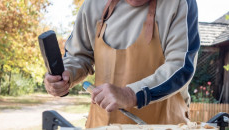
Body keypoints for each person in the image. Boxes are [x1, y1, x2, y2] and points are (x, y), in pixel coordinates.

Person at [44, 0, 200, 128]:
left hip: (164, 124)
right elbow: (78, 56)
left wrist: (131, 94)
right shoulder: (93, 5)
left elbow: (181, 66)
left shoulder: (179, 4)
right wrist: (67, 74)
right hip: (103, 124)